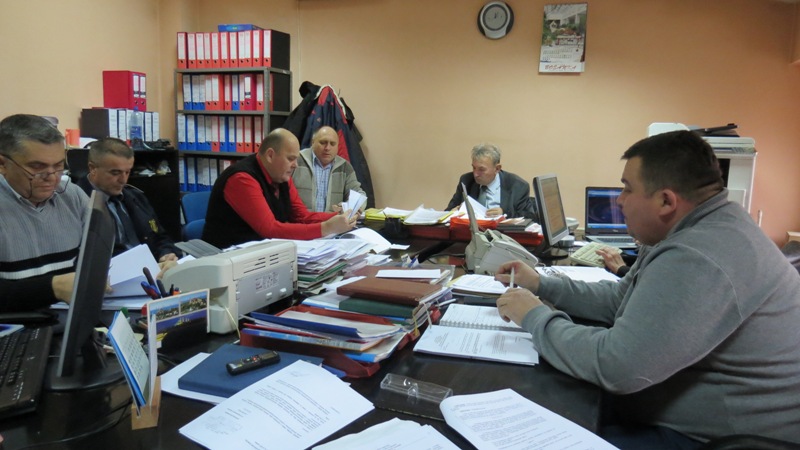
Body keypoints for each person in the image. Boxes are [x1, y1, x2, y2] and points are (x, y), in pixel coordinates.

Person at [494, 130, 800, 447]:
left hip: (720, 438)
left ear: (666, 201)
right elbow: (619, 300)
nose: (619, 200)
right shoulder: (696, 228)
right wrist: (541, 284)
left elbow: (617, 367)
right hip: (680, 409)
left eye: (628, 188)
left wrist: (534, 316)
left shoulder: (700, 253)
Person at [203, 128, 357, 249]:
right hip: (227, 257)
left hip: (261, 254)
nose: (295, 165)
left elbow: (301, 216)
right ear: (270, 155)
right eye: (290, 159)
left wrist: (339, 216)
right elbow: (270, 229)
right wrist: (326, 228)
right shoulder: (242, 178)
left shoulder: (281, 176)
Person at [0, 114, 88, 312]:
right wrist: (52, 288)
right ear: (3, 164)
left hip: (70, 318)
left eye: (58, 166)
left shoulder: (72, 196)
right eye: (37, 167)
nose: (52, 178)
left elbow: (97, 259)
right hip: (14, 326)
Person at [77, 137, 181, 262]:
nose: (123, 180)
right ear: (93, 168)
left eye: (127, 172)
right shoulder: (77, 203)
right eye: (115, 173)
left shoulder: (135, 196)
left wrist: (166, 253)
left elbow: (160, 236)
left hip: (151, 267)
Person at [445, 143, 536, 219]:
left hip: (502, 233)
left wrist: (504, 213)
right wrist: (452, 213)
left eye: (481, 169)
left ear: (497, 168)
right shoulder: (466, 180)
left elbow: (529, 216)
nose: (475, 174)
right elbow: (448, 211)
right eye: (474, 168)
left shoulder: (517, 185)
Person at [292, 126, 366, 213]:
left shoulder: (345, 167)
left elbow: (359, 194)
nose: (327, 148)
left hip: (332, 221)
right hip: (299, 220)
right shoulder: (296, 160)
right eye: (323, 143)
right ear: (313, 142)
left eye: (332, 144)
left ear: (338, 146)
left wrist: (350, 206)